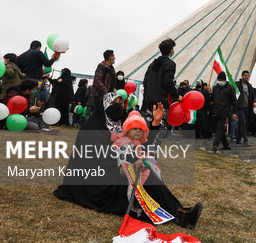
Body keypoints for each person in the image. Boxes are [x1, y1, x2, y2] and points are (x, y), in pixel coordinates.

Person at [54, 94, 202, 229]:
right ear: (104, 106)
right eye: (114, 102)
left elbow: (139, 145)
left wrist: (155, 124)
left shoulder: (119, 127)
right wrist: (124, 167)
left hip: (116, 172)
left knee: (143, 171)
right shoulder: (92, 129)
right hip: (96, 182)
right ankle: (180, 214)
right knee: (139, 177)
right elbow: (93, 162)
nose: (119, 106)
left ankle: (180, 213)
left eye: (121, 102)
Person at [142, 39, 180, 125]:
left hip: (148, 102)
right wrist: (177, 96)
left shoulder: (152, 64)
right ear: (171, 50)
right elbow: (168, 82)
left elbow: (145, 82)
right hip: (161, 104)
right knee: (159, 131)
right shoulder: (170, 64)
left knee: (147, 130)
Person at [211, 72, 236, 152]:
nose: (219, 81)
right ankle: (226, 145)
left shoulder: (230, 88)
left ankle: (215, 145)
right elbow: (212, 99)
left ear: (224, 80)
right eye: (218, 80)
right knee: (218, 129)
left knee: (219, 128)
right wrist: (209, 93)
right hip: (215, 111)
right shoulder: (215, 88)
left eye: (221, 80)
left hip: (224, 111)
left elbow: (234, 101)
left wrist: (234, 112)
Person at [234, 70, 256, 145]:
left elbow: (252, 96)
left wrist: (254, 102)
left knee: (243, 124)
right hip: (240, 107)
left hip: (247, 107)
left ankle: (238, 139)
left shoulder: (249, 85)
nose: (247, 77)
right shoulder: (237, 84)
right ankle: (245, 140)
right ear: (242, 76)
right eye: (245, 75)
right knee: (243, 123)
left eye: (248, 76)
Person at [92, 49, 117, 114]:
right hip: (100, 95)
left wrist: (113, 89)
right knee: (98, 114)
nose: (115, 58)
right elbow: (97, 81)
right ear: (110, 57)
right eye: (114, 56)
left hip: (109, 96)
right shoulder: (102, 67)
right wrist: (105, 92)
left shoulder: (111, 68)